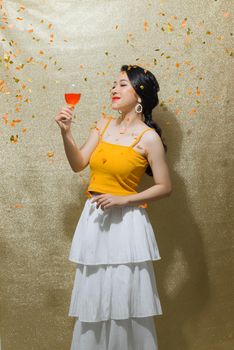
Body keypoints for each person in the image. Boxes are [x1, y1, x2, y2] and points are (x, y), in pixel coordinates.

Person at [55, 64, 172, 350]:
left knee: (124, 294)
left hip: (127, 223)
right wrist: (66, 133)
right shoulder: (103, 124)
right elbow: (78, 164)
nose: (113, 89)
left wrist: (124, 199)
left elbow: (165, 186)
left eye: (122, 84)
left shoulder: (149, 138)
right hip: (94, 219)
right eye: (113, 84)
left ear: (140, 93)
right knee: (94, 292)